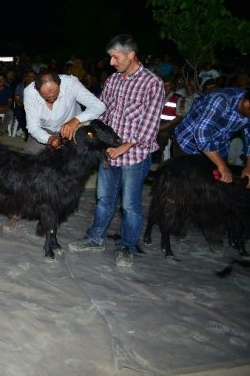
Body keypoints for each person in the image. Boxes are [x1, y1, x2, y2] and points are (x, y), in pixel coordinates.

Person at [69, 34, 163, 267]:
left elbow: (150, 126)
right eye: (110, 57)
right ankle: (95, 238)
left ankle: (127, 246)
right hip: (108, 153)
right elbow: (103, 113)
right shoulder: (114, 81)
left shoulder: (153, 83)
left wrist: (123, 147)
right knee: (104, 199)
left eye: (115, 57)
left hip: (135, 155)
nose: (111, 62)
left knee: (130, 204)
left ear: (131, 55)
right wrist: (84, 128)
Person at [172, 88, 250, 187]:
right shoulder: (222, 99)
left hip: (218, 147)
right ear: (247, 104)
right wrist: (221, 165)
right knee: (182, 186)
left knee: (215, 189)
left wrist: (248, 168)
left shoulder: (247, 108)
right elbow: (202, 132)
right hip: (188, 141)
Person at [23, 72, 106, 155]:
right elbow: (33, 126)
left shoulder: (71, 84)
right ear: (37, 89)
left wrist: (76, 120)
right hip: (44, 129)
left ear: (60, 84)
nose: (52, 99)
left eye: (55, 95)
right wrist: (49, 139)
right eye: (47, 98)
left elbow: (99, 106)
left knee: (72, 161)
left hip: (72, 128)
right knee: (30, 156)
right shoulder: (30, 93)